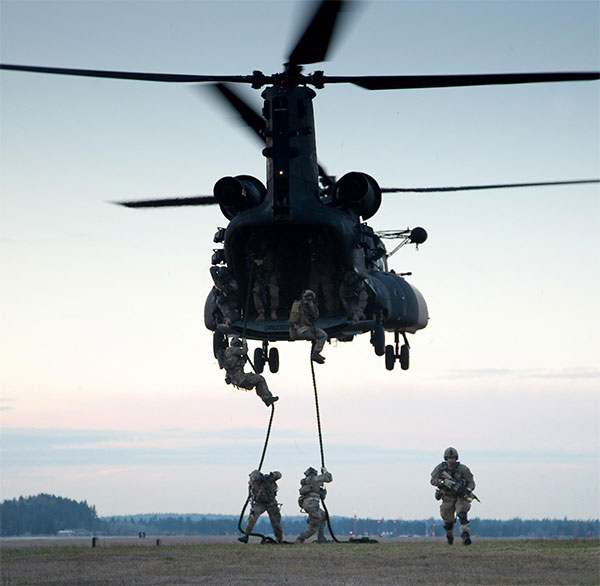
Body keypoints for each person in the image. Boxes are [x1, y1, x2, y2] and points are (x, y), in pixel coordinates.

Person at [430, 447, 476, 545]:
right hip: (447, 496)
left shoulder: (463, 469)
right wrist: (443, 482)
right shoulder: (440, 469)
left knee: (462, 515)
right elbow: (433, 481)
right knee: (448, 521)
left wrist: (468, 490)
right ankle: (450, 538)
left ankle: (465, 535)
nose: (451, 460)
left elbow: (471, 482)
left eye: (453, 458)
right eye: (449, 458)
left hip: (461, 496)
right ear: (446, 458)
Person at [223, 337, 278, 407]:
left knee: (257, 382)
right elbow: (244, 351)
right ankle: (267, 398)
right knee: (260, 379)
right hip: (241, 378)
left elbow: (241, 362)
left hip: (236, 380)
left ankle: (267, 398)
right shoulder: (232, 350)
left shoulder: (228, 354)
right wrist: (244, 342)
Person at [238, 470, 283, 544]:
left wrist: (273, 475)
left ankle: (279, 540)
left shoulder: (268, 480)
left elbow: (279, 474)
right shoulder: (252, 483)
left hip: (271, 503)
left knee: (276, 522)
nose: (254, 482)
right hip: (259, 503)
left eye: (255, 480)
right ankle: (246, 535)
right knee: (252, 519)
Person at [289, 290, 328, 364]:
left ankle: (316, 353)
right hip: (301, 329)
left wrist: (311, 306)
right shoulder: (298, 305)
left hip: (309, 328)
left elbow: (316, 316)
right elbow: (293, 319)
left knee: (324, 335)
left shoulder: (312, 305)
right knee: (319, 335)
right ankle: (315, 354)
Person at [295, 466, 333, 543]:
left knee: (323, 516)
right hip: (312, 505)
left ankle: (321, 538)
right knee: (315, 523)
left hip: (310, 504)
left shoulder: (306, 481)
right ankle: (300, 538)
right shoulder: (316, 479)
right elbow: (329, 478)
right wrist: (325, 472)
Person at [251, 243, 280, 321]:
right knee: (256, 291)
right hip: (260, 274)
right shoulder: (256, 252)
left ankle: (274, 311)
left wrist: (263, 262)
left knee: (273, 291)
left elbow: (271, 265)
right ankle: (260, 313)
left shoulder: (271, 252)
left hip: (271, 274)